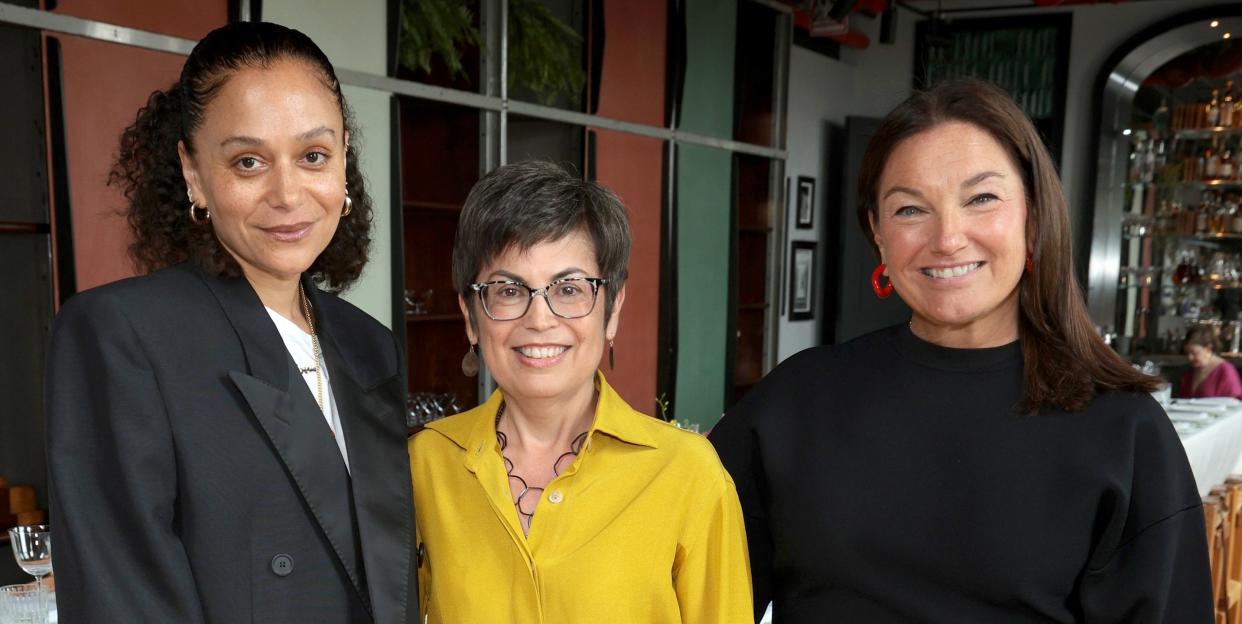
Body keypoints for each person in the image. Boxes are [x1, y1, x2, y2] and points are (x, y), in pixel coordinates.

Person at [710, 79, 1212, 622]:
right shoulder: (797, 398)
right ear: (877, 232)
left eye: (981, 199)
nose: (947, 238)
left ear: (1034, 217)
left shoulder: (1126, 431)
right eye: (909, 210)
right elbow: (688, 583)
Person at [46, 22, 416, 623]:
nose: (288, 193)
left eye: (313, 156)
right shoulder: (121, 335)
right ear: (194, 173)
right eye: (249, 162)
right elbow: (122, 604)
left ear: (344, 159)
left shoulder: (369, 345)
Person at [407, 160, 752, 623]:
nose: (540, 318)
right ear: (471, 316)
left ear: (612, 310)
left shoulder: (688, 475)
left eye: (568, 288)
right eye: (509, 290)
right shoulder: (425, 464)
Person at [1179, 326, 1242, 399]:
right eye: (1187, 353)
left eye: (1194, 353)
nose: (1189, 357)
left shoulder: (1226, 371)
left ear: (1208, 348)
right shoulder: (1189, 371)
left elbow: (1236, 404)